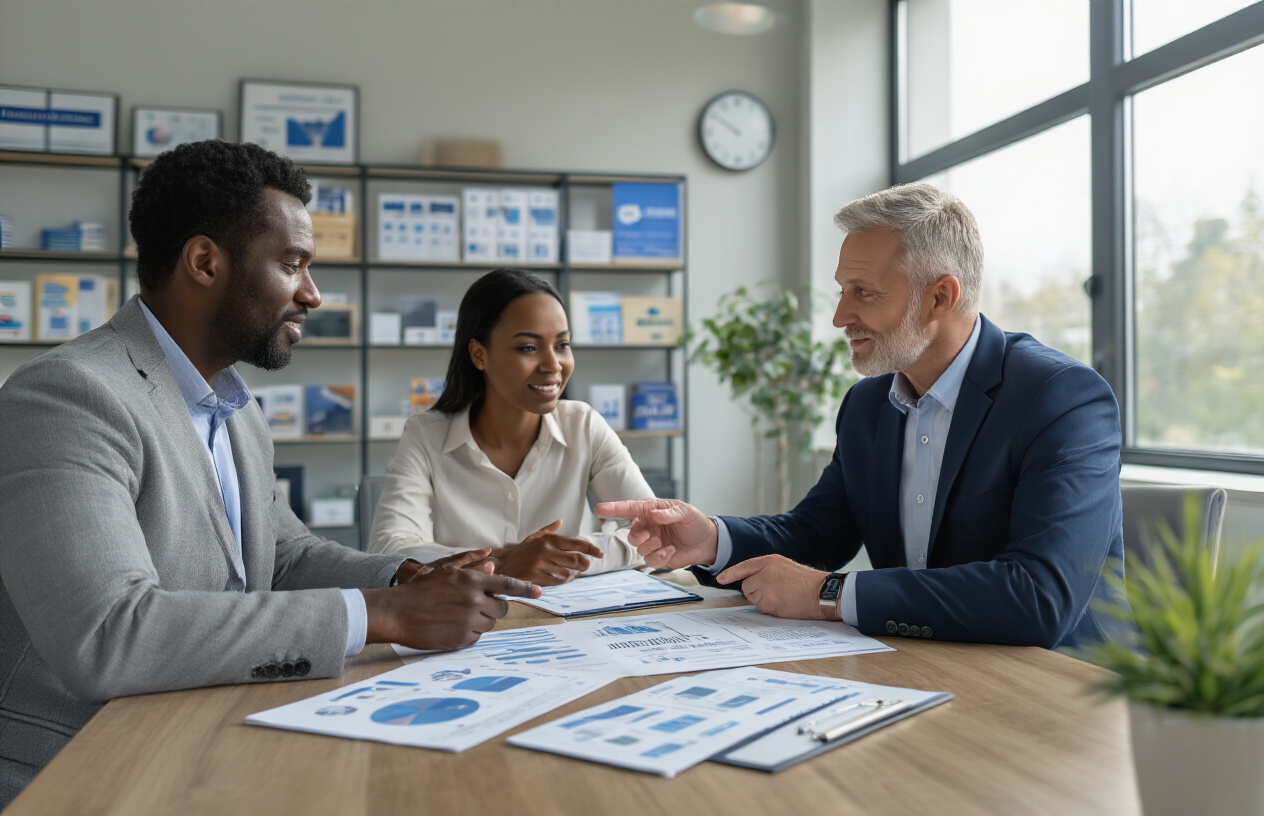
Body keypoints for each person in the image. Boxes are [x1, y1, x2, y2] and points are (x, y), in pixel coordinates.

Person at [0, 140, 538, 805]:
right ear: (205, 262)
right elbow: (108, 635)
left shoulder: (232, 404)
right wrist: (383, 613)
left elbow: (281, 557)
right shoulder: (66, 397)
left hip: (211, 728)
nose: (311, 293)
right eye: (292, 264)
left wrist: (409, 577)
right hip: (82, 770)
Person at [599, 182, 1125, 650]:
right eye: (842, 290)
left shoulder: (1062, 398)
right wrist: (712, 538)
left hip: (1065, 688)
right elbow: (817, 533)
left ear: (941, 297)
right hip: (933, 661)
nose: (839, 316)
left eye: (864, 293)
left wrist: (829, 593)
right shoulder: (868, 404)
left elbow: (1039, 598)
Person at [367, 268, 655, 585]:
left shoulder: (583, 425)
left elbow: (653, 530)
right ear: (479, 354)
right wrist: (505, 562)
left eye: (562, 345)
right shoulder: (426, 434)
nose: (553, 365)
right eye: (528, 348)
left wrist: (562, 560)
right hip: (467, 624)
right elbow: (389, 551)